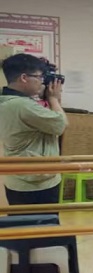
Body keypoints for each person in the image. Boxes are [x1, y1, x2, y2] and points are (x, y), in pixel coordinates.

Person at [0, 53, 68, 205]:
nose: (42, 82)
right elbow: (60, 124)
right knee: (43, 219)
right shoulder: (22, 106)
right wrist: (54, 99)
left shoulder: (6, 101)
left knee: (22, 219)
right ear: (24, 78)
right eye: (39, 77)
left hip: (17, 179)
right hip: (37, 183)